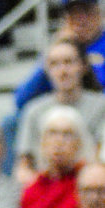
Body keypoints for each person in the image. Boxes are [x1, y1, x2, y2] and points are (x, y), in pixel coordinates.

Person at [13, 37, 105, 188]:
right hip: (47, 187)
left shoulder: (101, 106)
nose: (62, 71)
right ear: (46, 70)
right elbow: (23, 167)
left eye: (68, 62)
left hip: (90, 188)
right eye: (54, 64)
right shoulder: (33, 110)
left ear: (83, 66)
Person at [5, 104, 91, 208]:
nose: (59, 141)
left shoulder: (87, 184)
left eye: (67, 134)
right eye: (52, 133)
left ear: (79, 143)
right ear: (42, 142)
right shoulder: (33, 188)